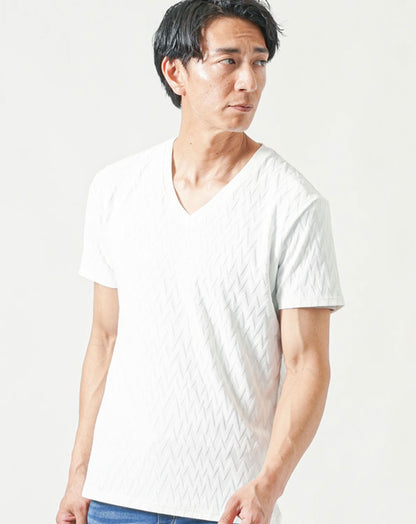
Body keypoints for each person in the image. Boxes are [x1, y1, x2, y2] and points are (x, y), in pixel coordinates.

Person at [56, 1, 345, 523]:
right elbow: (105, 339)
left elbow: (308, 364)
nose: (249, 82)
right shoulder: (116, 189)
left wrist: (268, 486)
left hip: (227, 507)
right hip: (113, 497)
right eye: (229, 60)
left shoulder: (293, 205)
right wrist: (80, 476)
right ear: (176, 72)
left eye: (259, 62)